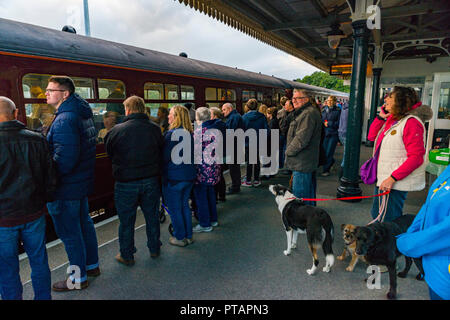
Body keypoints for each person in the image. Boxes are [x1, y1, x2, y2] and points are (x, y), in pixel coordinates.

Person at [45, 76, 100, 291]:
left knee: (70, 234)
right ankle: (92, 265)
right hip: (79, 184)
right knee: (84, 225)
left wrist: (49, 181)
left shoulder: (64, 119)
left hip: (66, 188)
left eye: (51, 89)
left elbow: (64, 160)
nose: (46, 93)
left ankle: (78, 279)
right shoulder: (80, 113)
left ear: (65, 94)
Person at [0, 97, 57, 300]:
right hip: (34, 213)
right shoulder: (37, 139)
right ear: (16, 114)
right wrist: (45, 201)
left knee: (6, 268)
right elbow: (50, 177)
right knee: (39, 260)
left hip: (3, 219)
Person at [105, 96, 163, 264]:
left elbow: (111, 154)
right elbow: (160, 149)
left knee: (126, 221)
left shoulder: (116, 131)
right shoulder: (155, 129)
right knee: (152, 217)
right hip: (150, 181)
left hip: (125, 183)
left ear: (128, 110)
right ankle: (154, 248)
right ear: (143, 108)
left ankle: (127, 254)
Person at [367, 86, 432, 222]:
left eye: (390, 96)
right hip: (385, 177)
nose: (386, 99)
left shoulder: (412, 123)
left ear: (400, 101)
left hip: (393, 180)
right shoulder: (394, 120)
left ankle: (391, 243)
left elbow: (416, 157)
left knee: (387, 219)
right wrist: (380, 117)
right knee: (378, 214)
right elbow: (371, 137)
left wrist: (392, 178)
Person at [396, 164, 450, 300]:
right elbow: (430, 203)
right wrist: (411, 232)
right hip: (435, 269)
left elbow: (445, 231)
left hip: (444, 278)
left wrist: (408, 243)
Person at [162, 105, 196, 247]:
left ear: (176, 117)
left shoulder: (170, 135)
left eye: (170, 114)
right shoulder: (189, 133)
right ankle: (188, 235)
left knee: (175, 209)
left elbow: (165, 157)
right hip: (189, 176)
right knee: (184, 206)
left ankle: (179, 237)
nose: (168, 116)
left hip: (174, 177)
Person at [284, 89, 322, 206]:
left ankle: (303, 223)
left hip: (301, 162)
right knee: (308, 197)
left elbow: (301, 139)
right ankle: (311, 221)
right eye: (293, 98)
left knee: (301, 198)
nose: (293, 101)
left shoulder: (307, 114)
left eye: (297, 98)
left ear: (306, 99)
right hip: (306, 161)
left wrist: (288, 152)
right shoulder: (307, 112)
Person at [192, 107, 221, 232]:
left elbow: (195, 152)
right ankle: (213, 219)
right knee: (211, 194)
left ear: (198, 118)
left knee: (201, 197)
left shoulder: (199, 132)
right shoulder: (216, 130)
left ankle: (205, 224)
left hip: (202, 170)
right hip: (214, 168)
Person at [241, 98, 269, 187]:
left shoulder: (244, 117)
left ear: (247, 106)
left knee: (249, 161)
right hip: (259, 142)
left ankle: (248, 180)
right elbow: (267, 130)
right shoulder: (262, 116)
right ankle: (257, 180)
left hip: (248, 143)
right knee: (257, 161)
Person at [222, 102, 244, 194]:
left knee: (233, 167)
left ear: (230, 109)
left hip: (233, 146)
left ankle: (235, 187)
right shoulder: (236, 116)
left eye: (224, 110)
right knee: (235, 167)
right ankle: (236, 185)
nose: (223, 112)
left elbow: (231, 131)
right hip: (236, 145)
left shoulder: (233, 118)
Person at [321, 96, 341, 176]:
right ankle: (330, 162)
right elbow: (322, 120)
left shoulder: (338, 111)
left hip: (333, 134)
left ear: (335, 101)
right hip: (325, 134)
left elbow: (339, 123)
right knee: (325, 151)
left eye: (331, 100)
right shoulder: (324, 110)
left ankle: (326, 170)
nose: (329, 102)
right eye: (328, 100)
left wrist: (329, 123)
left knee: (329, 152)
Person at [210, 107, 227, 202]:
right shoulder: (222, 124)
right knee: (220, 174)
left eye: (210, 114)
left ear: (215, 116)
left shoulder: (215, 125)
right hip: (222, 152)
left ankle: (216, 196)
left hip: (217, 153)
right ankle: (222, 195)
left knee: (216, 174)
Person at [277, 99, 294, 173]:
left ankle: (287, 167)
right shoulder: (288, 113)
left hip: (288, 136)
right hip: (286, 135)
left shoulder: (292, 115)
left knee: (285, 150)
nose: (285, 106)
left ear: (291, 106)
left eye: (286, 105)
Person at [337, 99, 349, 177]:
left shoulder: (343, 108)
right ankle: (342, 173)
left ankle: (343, 172)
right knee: (347, 154)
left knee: (346, 153)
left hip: (341, 132)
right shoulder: (350, 110)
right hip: (346, 133)